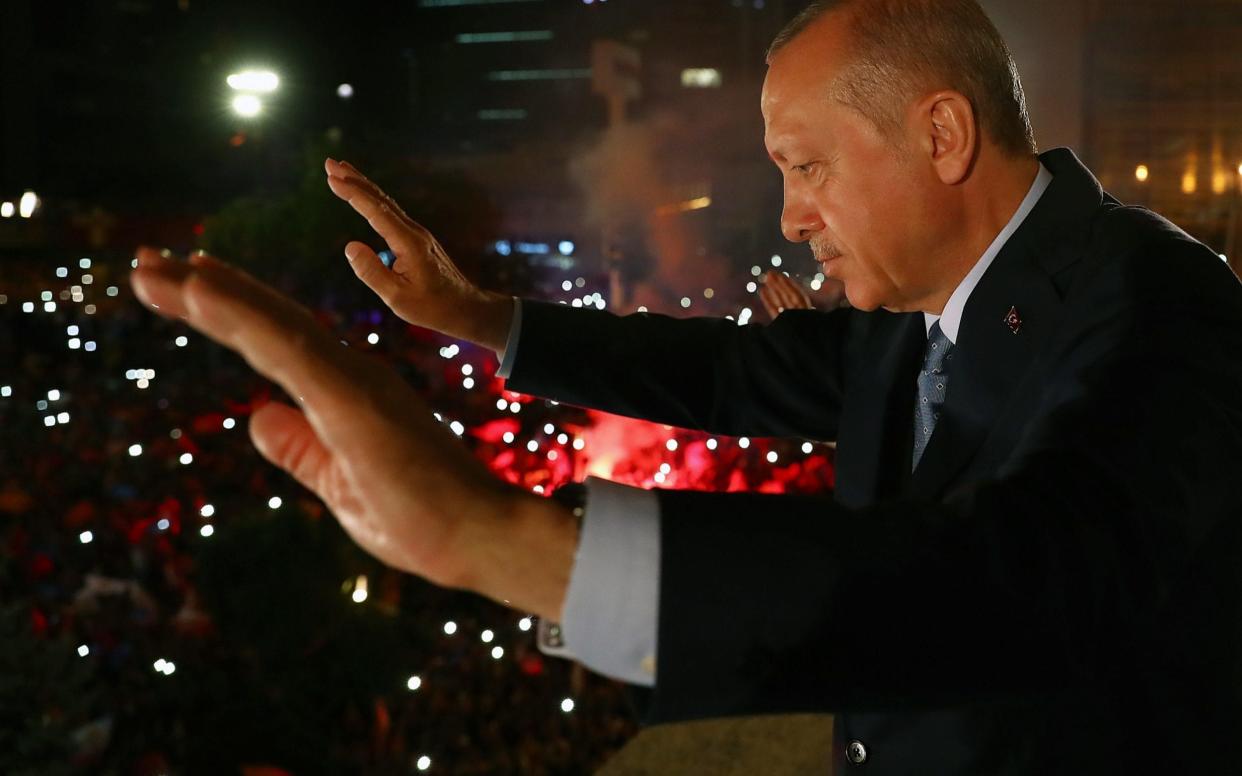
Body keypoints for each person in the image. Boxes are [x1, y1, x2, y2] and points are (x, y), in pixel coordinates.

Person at [131, 0, 1242, 772]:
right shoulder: (914, 309)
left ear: (942, 132)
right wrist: (482, 318)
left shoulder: (1160, 295)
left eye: (807, 166)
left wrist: (505, 543)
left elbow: (1038, 574)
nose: (792, 215)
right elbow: (733, 370)